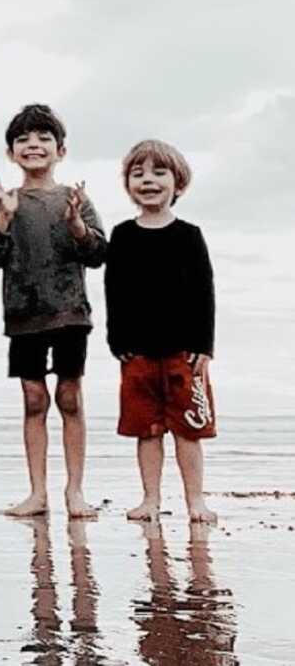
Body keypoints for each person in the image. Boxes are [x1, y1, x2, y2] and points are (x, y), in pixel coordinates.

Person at [0, 103, 106, 518]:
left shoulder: (75, 199)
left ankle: (75, 491)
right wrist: (4, 219)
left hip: (70, 312)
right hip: (23, 314)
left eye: (43, 138)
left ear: (60, 150)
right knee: (34, 399)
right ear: (12, 153)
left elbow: (99, 253)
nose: (33, 145)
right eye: (23, 139)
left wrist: (77, 227)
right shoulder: (2, 203)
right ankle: (37, 493)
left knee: (70, 397)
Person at [104, 139, 217, 523]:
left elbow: (205, 291)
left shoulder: (189, 235)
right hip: (137, 352)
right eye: (138, 174)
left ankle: (195, 501)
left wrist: (204, 345)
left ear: (178, 183)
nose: (148, 180)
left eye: (158, 172)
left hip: (184, 353)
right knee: (146, 431)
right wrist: (116, 341)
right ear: (129, 185)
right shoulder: (122, 236)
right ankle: (150, 499)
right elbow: (114, 292)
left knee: (189, 431)